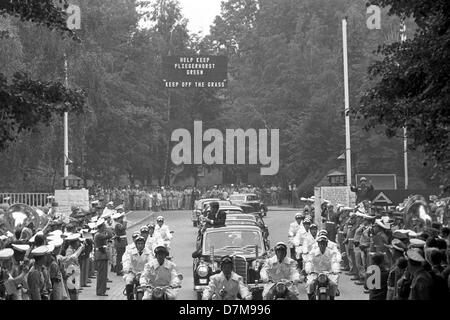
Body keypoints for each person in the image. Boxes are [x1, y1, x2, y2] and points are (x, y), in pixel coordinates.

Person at [304, 235, 340, 300]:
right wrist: (308, 269)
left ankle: (332, 297)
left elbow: (334, 262)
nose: (322, 246)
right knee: (309, 284)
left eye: (324, 244)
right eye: (320, 244)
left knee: (333, 284)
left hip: (328, 273)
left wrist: (335, 269)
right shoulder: (313, 253)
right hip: (315, 273)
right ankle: (310, 298)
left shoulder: (331, 253)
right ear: (318, 244)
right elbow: (309, 261)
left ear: (326, 244)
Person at [122, 235, 152, 300]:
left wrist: (148, 271)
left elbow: (151, 263)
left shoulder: (149, 252)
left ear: (144, 244)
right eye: (138, 244)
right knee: (128, 282)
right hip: (133, 272)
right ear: (136, 244)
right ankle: (130, 298)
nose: (140, 245)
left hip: (144, 273)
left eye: (142, 243)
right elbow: (126, 260)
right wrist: (126, 268)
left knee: (147, 286)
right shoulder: (130, 251)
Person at [94, 218, 114, 296]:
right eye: (104, 226)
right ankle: (100, 291)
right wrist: (108, 228)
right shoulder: (99, 235)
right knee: (102, 274)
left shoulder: (99, 234)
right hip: (101, 255)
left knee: (103, 274)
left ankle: (102, 289)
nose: (105, 227)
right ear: (101, 226)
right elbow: (110, 235)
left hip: (102, 255)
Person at [113, 211, 127, 276]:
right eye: (120, 218)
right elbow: (123, 228)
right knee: (120, 257)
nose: (121, 219)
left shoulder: (118, 224)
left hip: (122, 242)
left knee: (121, 256)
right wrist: (125, 221)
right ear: (118, 219)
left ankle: (120, 269)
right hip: (120, 243)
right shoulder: (118, 225)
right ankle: (119, 270)